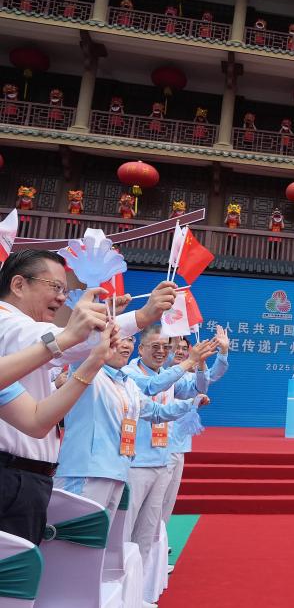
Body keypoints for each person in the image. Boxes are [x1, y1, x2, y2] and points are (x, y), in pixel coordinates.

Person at [0, 249, 176, 543]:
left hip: (28, 477)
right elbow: (63, 344)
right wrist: (140, 317)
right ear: (18, 285)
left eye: (64, 290)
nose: (61, 298)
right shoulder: (9, 324)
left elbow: (36, 420)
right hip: (16, 476)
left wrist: (99, 340)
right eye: (55, 287)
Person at [54, 333, 209, 519]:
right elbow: (84, 340)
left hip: (118, 471)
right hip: (86, 472)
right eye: (119, 339)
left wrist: (191, 404)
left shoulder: (127, 384)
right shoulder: (88, 372)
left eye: (129, 340)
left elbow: (156, 412)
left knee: (113, 535)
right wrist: (190, 361)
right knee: (76, 533)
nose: (126, 345)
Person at [122, 324, 218, 597]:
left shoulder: (167, 375)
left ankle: (138, 594)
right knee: (125, 533)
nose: (161, 352)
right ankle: (119, 591)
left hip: (161, 460)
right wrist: (189, 362)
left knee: (148, 531)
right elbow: (151, 388)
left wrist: (201, 365)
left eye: (166, 347)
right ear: (141, 348)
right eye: (155, 346)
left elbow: (198, 386)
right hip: (134, 464)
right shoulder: (129, 373)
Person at [161, 330, 230, 536]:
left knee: (168, 499)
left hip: (179, 444)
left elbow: (208, 379)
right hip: (157, 446)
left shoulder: (188, 376)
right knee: (155, 500)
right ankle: (147, 542)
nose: (180, 352)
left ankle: (159, 542)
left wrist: (222, 352)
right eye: (176, 347)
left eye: (184, 348)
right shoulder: (159, 374)